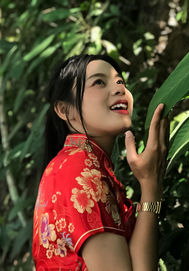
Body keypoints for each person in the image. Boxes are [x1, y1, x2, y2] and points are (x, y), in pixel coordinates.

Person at [32, 54, 168, 270]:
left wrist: (151, 184)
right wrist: (151, 185)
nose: (118, 88)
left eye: (120, 81)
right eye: (99, 82)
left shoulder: (75, 164)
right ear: (65, 110)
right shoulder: (80, 171)